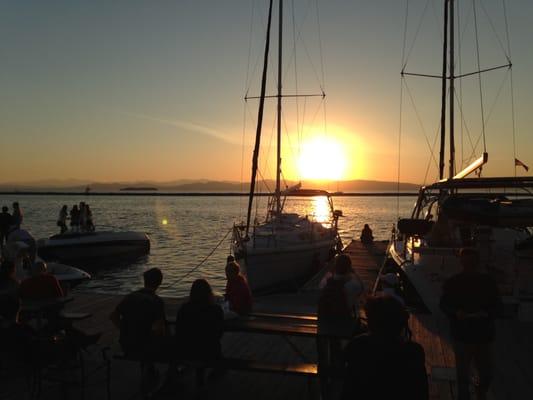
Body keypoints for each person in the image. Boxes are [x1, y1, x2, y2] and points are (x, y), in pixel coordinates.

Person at [440, 248, 502, 400]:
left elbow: (497, 305)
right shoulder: (453, 282)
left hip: (484, 334)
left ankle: (481, 392)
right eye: (466, 261)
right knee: (462, 376)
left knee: (487, 373)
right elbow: (444, 304)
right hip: (462, 334)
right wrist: (456, 313)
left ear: (477, 262)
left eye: (472, 261)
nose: (469, 264)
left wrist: (487, 314)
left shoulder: (488, 282)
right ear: (461, 262)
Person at [341, 296, 428, 400]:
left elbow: (348, 389)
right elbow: (421, 393)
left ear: (371, 323)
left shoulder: (357, 345)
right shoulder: (413, 352)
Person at [110, 268, 173, 393]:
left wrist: (125, 330)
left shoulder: (130, 297)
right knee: (170, 341)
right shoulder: (157, 302)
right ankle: (170, 376)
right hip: (145, 346)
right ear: (159, 283)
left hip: (127, 343)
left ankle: (149, 369)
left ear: (144, 281)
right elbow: (158, 329)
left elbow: (113, 316)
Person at [175, 279, 224, 386]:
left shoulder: (184, 309)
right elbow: (219, 333)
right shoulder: (216, 310)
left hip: (186, 351)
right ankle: (215, 372)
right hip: (210, 352)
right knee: (210, 346)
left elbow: (178, 331)